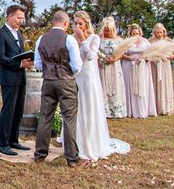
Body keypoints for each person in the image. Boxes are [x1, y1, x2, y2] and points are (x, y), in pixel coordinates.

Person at [69, 11, 130, 161]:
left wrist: (83, 40)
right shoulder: (70, 38)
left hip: (88, 76)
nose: (77, 26)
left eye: (80, 23)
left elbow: (90, 56)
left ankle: (89, 140)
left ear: (87, 24)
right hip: (74, 75)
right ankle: (72, 140)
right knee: (74, 106)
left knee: (88, 105)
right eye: (75, 23)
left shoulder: (94, 38)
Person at [33, 10, 85, 167]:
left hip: (48, 81)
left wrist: (49, 70)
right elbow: (76, 66)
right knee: (69, 118)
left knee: (45, 117)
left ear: (53, 22)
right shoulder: (69, 39)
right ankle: (72, 158)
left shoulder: (41, 39)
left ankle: (40, 153)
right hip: (66, 81)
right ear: (66, 23)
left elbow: (37, 64)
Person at [0, 4, 34, 156]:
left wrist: (27, 61)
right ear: (9, 16)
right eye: (18, 17)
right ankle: (2, 144)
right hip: (8, 78)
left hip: (20, 77)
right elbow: (0, 57)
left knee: (18, 111)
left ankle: (13, 140)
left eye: (22, 18)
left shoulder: (19, 34)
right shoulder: (0, 34)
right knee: (8, 111)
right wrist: (19, 64)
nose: (21, 21)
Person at [121, 24, 157, 118]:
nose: (135, 35)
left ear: (140, 33)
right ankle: (130, 110)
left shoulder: (145, 41)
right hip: (128, 66)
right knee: (131, 86)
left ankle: (142, 110)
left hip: (143, 66)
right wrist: (130, 58)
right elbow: (121, 54)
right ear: (130, 34)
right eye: (133, 33)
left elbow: (151, 53)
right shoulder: (126, 42)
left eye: (137, 33)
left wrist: (144, 59)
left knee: (142, 86)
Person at [98, 17, 127, 118]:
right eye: (106, 30)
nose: (107, 32)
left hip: (115, 66)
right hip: (103, 66)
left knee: (115, 86)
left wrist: (114, 59)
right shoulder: (99, 39)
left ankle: (116, 110)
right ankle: (104, 110)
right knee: (103, 85)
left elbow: (123, 52)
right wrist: (102, 57)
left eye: (109, 30)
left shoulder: (118, 40)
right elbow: (96, 51)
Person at [148, 23, 174, 115]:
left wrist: (166, 56)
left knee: (164, 84)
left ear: (164, 32)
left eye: (161, 32)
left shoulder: (169, 41)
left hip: (164, 65)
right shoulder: (150, 41)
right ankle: (154, 107)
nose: (159, 34)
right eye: (157, 32)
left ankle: (165, 107)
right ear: (154, 32)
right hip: (154, 65)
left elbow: (173, 55)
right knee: (154, 83)